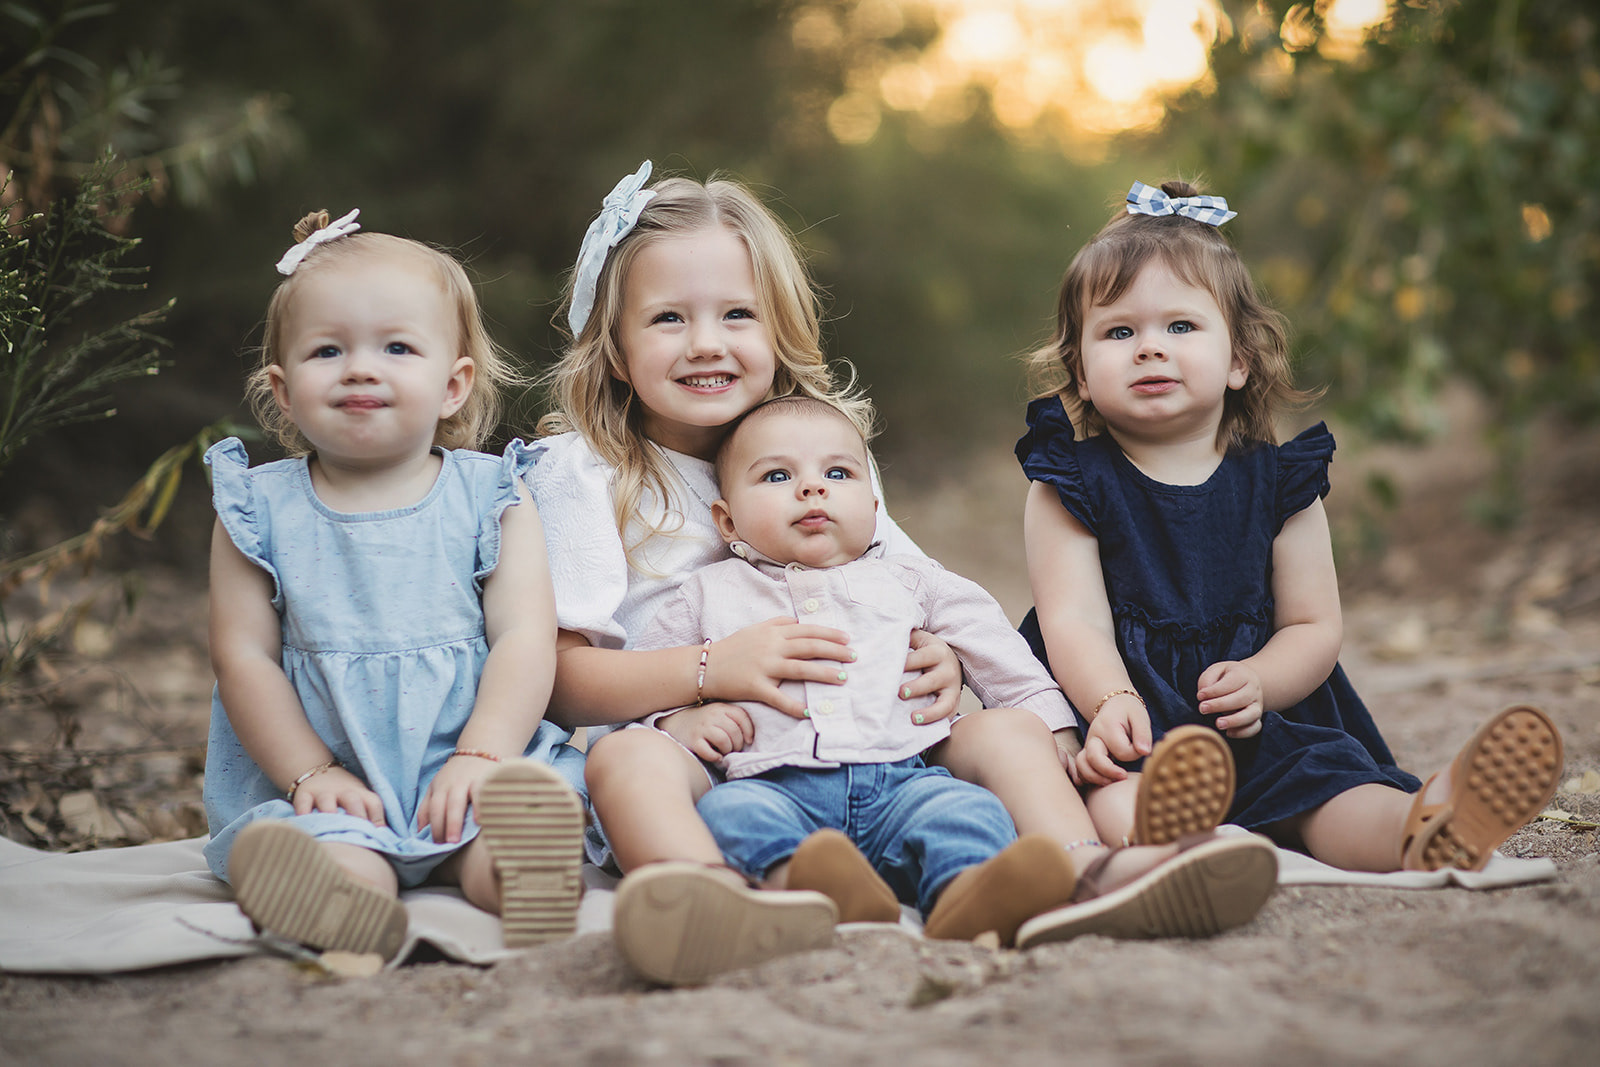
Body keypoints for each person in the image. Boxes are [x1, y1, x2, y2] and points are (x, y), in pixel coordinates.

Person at [531, 162, 1269, 985]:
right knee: (623, 762)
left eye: (737, 314)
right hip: (717, 763)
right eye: (669, 317)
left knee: (1005, 734)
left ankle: (1083, 867)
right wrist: (703, 679)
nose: (706, 342)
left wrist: (946, 659)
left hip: (886, 756)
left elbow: (923, 593)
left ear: (779, 330)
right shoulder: (586, 474)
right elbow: (557, 681)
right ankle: (705, 891)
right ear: (615, 348)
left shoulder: (825, 456)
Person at [1017, 179, 1565, 900]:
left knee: (1327, 785)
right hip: (1129, 721)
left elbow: (1314, 624)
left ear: (1239, 359)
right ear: (1081, 372)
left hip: (1261, 718)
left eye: (1180, 326)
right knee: (1113, 794)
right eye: (1119, 332)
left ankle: (1423, 825)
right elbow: (1073, 621)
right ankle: (1183, 845)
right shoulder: (1069, 482)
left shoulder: (1279, 482)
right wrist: (1110, 698)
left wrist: (1261, 681)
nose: (1149, 348)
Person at [626, 395, 1278, 976]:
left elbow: (999, 654)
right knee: (731, 817)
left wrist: (1057, 735)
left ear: (874, 508)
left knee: (968, 815)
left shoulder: (913, 580)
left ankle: (967, 896)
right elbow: (647, 685)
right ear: (727, 521)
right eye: (777, 476)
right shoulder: (706, 594)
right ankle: (802, 884)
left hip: (904, 784)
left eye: (838, 473)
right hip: (771, 785)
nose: (812, 489)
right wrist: (677, 721)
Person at [203, 209, 586, 962]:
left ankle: (522, 878)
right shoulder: (256, 509)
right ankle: (344, 899)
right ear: (283, 389)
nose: (360, 368)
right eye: (327, 350)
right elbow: (242, 657)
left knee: (499, 831)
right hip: (328, 773)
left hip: (471, 760)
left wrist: (482, 755)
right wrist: (309, 771)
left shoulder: (491, 494)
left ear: (453, 385)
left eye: (397, 347)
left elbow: (524, 636)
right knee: (331, 847)